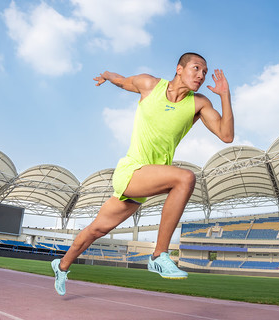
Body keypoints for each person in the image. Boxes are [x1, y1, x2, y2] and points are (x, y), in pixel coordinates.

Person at [51, 52, 234, 295]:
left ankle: (61, 266)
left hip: (146, 181)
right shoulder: (150, 85)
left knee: (96, 230)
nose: (201, 75)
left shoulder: (199, 104)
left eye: (204, 72)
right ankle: (159, 255)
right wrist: (106, 75)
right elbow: (121, 80)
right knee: (185, 177)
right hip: (131, 170)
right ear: (179, 69)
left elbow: (226, 135)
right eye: (196, 68)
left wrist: (225, 96)